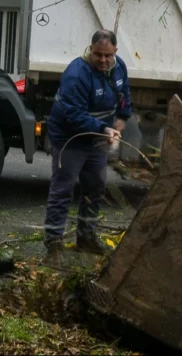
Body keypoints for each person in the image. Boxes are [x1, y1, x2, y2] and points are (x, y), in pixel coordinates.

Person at [43, 29, 132, 259]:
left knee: (95, 187)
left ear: (115, 52)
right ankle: (53, 242)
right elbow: (73, 115)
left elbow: (124, 93)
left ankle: (86, 238)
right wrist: (104, 129)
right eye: (98, 54)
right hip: (70, 139)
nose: (103, 60)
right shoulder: (76, 74)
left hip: (98, 139)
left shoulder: (119, 67)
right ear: (90, 50)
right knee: (63, 189)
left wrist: (123, 117)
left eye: (108, 55)